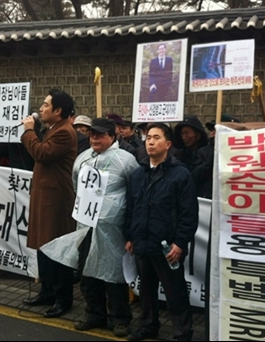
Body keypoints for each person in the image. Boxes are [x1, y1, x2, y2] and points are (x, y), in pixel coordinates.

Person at [124, 122, 198, 341]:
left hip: (168, 246)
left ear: (168, 144)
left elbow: (188, 213)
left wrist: (180, 242)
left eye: (156, 137)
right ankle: (148, 326)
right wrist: (129, 236)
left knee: (175, 291)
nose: (151, 142)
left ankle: (182, 332)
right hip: (142, 241)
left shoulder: (180, 175)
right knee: (146, 290)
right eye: (148, 138)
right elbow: (131, 207)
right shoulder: (138, 174)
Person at [68, 117, 139, 337]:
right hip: (86, 225)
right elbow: (75, 184)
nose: (94, 138)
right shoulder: (83, 158)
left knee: (113, 274)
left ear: (112, 136)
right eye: (91, 134)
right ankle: (94, 313)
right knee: (87, 270)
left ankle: (120, 318)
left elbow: (135, 194)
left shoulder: (126, 160)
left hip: (114, 229)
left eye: (99, 134)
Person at [20, 88, 78, 318]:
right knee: (44, 247)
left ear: (58, 110)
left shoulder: (65, 132)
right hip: (45, 197)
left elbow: (42, 153)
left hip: (56, 200)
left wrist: (28, 132)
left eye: (46, 105)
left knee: (57, 251)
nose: (41, 108)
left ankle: (63, 299)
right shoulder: (52, 128)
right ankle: (46, 292)